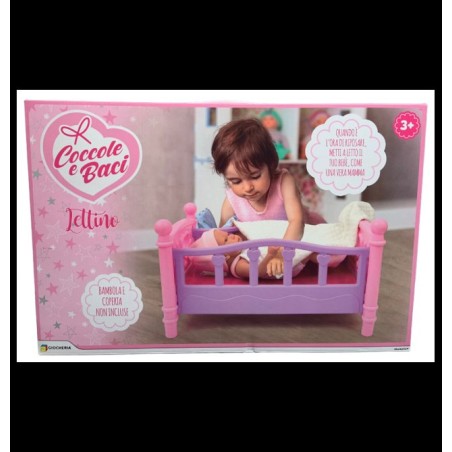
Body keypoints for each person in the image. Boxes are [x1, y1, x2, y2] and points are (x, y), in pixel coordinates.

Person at [211, 118, 323, 274]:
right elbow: (224, 238)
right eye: (236, 181)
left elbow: (297, 221)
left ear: (270, 164)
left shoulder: (284, 182)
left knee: (323, 255)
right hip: (264, 254)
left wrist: (281, 254)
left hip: (297, 237)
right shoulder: (231, 201)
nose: (247, 188)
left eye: (255, 176)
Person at [191, 229, 306, 279]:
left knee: (305, 244)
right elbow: (257, 272)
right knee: (309, 251)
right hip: (284, 267)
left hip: (284, 256)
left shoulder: (239, 250)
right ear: (224, 257)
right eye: (226, 240)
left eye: (227, 234)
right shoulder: (238, 266)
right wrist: (270, 255)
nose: (231, 236)